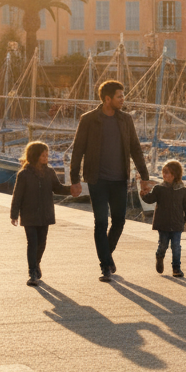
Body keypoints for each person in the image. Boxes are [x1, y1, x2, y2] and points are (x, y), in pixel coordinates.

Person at [70, 80, 152, 283]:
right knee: (100, 222)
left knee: (119, 221)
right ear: (107, 99)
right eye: (119, 96)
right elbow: (78, 149)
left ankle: (106, 255)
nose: (123, 99)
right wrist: (74, 180)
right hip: (97, 180)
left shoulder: (125, 120)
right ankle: (105, 265)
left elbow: (135, 148)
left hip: (119, 180)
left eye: (123, 96)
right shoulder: (88, 119)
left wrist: (145, 177)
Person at [9, 141, 70, 287]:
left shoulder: (49, 172)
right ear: (36, 156)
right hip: (29, 214)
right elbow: (17, 195)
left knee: (42, 243)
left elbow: (58, 188)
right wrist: (14, 214)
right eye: (43, 155)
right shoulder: (24, 174)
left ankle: (36, 264)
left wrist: (72, 190)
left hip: (45, 213)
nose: (46, 158)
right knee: (32, 243)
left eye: (47, 155)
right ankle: (32, 273)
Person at [141, 159, 186, 278]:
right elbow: (151, 199)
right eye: (164, 172)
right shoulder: (159, 188)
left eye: (167, 173)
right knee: (163, 245)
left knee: (176, 246)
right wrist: (144, 195)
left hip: (177, 223)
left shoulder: (182, 190)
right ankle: (159, 257)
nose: (164, 175)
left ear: (175, 174)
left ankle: (176, 268)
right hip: (163, 223)